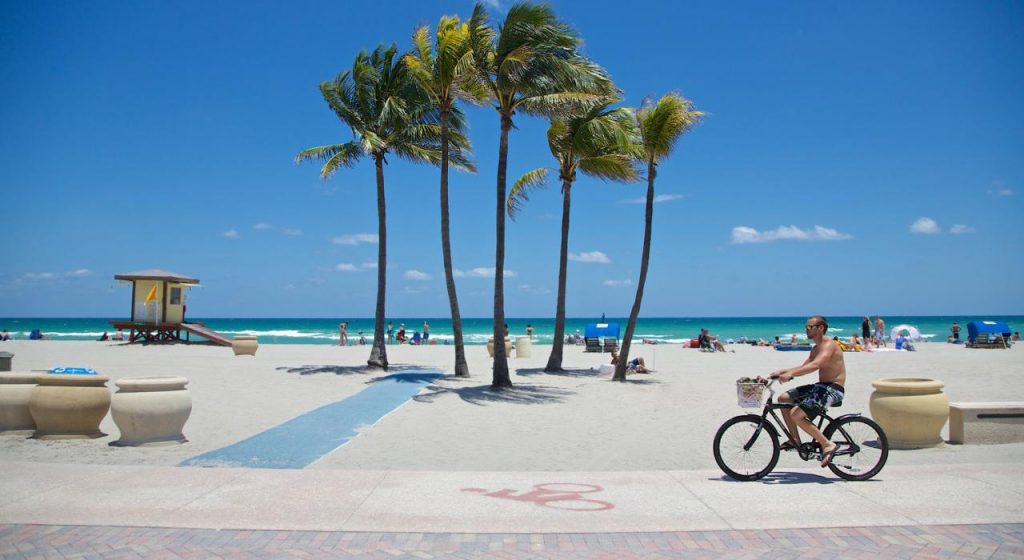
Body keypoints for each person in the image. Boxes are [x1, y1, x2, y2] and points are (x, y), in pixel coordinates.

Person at [769, 315, 846, 468]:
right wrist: (781, 372)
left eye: (810, 327)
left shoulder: (829, 345)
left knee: (796, 414)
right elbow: (803, 367)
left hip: (833, 389)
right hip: (821, 387)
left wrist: (790, 374)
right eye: (806, 327)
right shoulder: (816, 348)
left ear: (821, 328)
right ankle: (795, 440)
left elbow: (817, 364)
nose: (806, 329)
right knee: (784, 399)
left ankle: (827, 444)